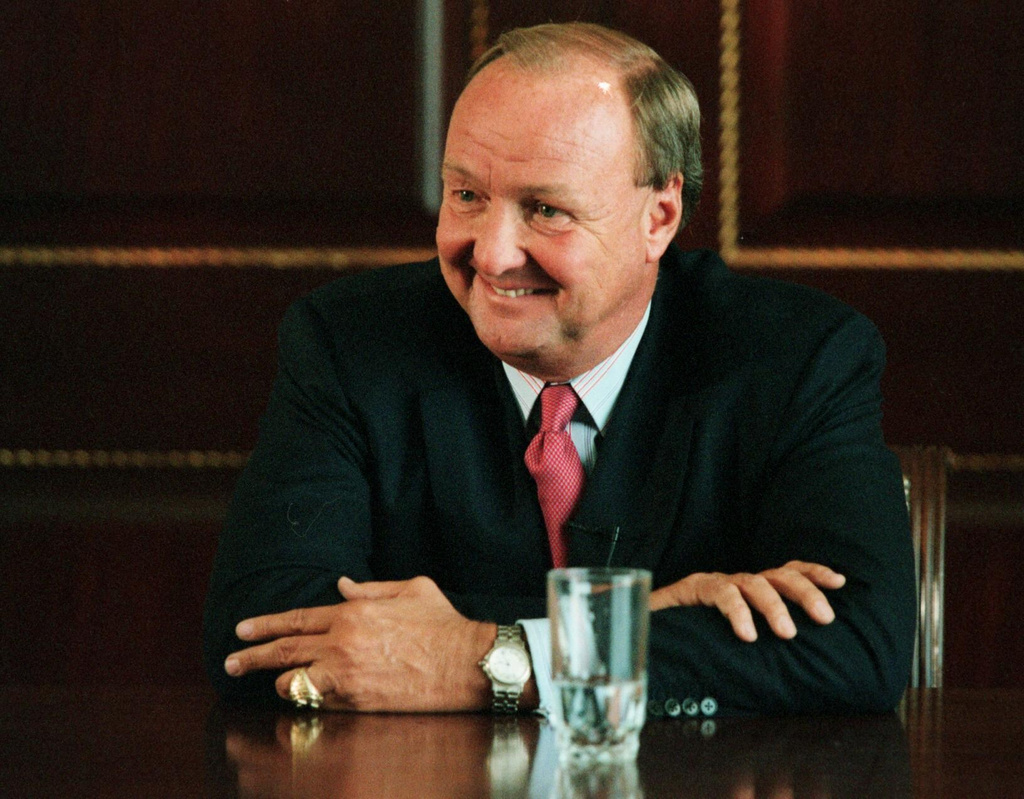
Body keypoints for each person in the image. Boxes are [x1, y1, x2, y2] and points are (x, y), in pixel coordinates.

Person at [203, 22, 915, 717]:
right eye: (466, 195)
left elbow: (858, 641)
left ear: (659, 217)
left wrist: (484, 656)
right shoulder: (350, 343)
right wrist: (631, 619)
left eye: (545, 210)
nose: (491, 254)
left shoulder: (798, 357)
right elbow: (259, 629)